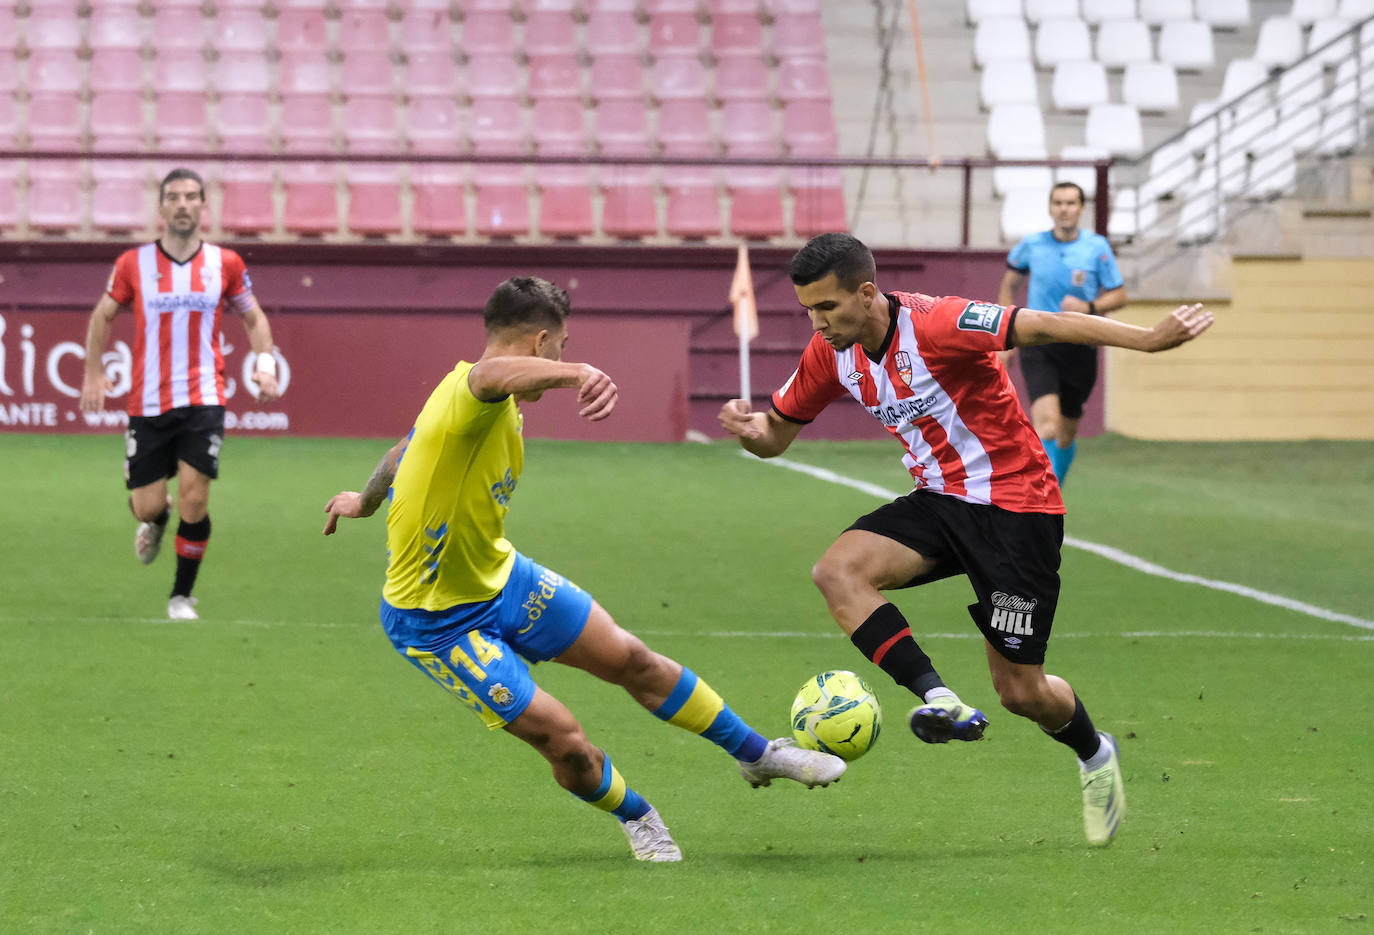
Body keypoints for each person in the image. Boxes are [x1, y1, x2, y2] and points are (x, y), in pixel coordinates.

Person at [322, 276, 845, 863]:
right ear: (541, 342)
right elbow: (490, 374)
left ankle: (756, 754)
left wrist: (363, 500)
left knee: (632, 659)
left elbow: (404, 450)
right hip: (438, 623)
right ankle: (639, 817)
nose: (565, 357)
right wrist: (578, 374)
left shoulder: (470, 408)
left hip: (501, 577)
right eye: (563, 347)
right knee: (567, 744)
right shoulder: (474, 387)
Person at [718, 233, 1212, 847]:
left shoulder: (938, 322)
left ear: (867, 293)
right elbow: (775, 436)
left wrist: (1147, 338)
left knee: (1021, 692)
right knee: (837, 571)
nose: (817, 323)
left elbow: (1044, 324)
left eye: (827, 308)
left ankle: (1093, 752)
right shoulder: (832, 352)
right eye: (808, 311)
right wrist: (747, 430)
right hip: (940, 502)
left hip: (1016, 508)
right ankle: (941, 699)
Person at [79, 167, 281, 621]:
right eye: (175, 196)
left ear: (204, 206)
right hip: (147, 402)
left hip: (204, 397)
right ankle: (156, 516)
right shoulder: (133, 264)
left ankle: (181, 597)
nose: (184, 204)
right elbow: (102, 315)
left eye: (193, 196)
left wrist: (265, 366)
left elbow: (254, 318)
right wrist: (93, 372)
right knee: (147, 507)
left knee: (196, 496)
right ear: (162, 207)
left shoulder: (226, 264)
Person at [998, 181, 1127, 484]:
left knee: (1067, 433)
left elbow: (1119, 295)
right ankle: (1042, 497)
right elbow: (1009, 285)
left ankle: (1056, 484)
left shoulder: (1096, 247)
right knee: (1048, 427)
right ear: (1050, 208)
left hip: (1081, 343)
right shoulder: (1031, 245)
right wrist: (1005, 331)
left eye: (1070, 203)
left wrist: (1088, 306)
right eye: (1058, 203)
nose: (1064, 209)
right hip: (1039, 341)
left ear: (1081, 209)